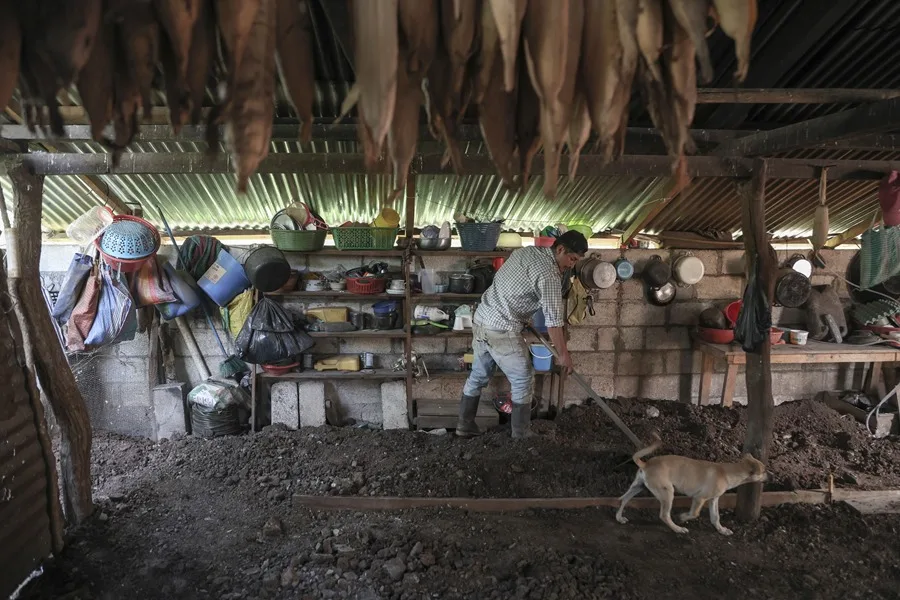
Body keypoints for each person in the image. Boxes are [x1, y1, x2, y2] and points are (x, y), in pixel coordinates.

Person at [456, 231, 587, 439]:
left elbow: (508, 283)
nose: (571, 265)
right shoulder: (549, 274)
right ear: (560, 249)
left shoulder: (527, 252)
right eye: (572, 259)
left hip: (482, 319)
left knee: (478, 376)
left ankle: (465, 425)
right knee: (523, 379)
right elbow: (554, 322)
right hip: (501, 328)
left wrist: (524, 313)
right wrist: (563, 355)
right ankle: (521, 434)